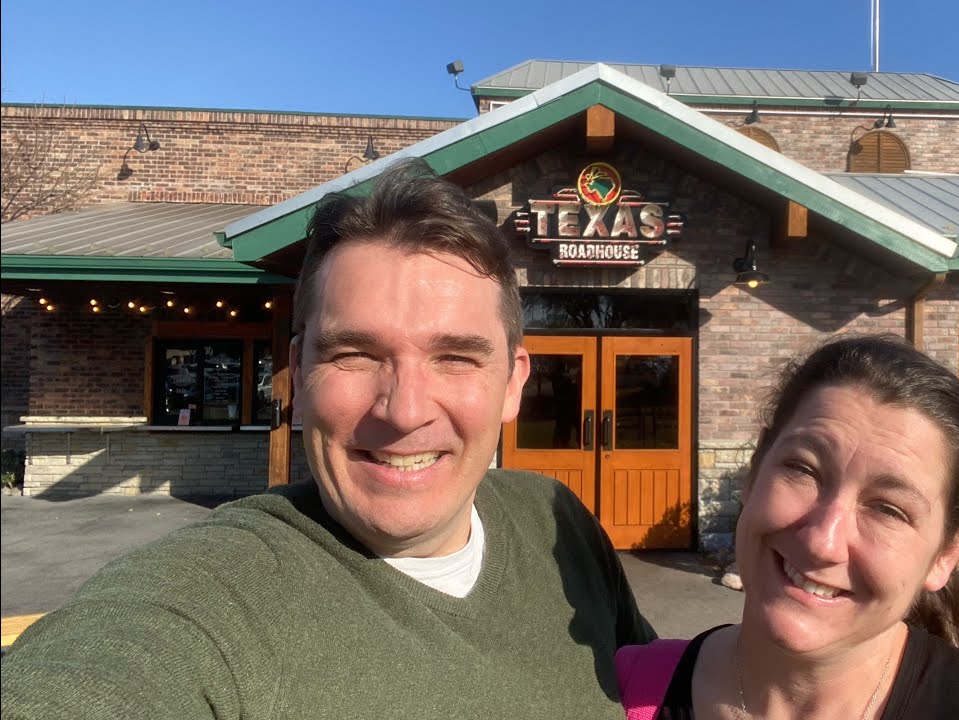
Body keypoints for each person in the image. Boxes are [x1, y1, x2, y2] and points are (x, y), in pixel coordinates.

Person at [2, 159, 655, 718]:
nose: (404, 412)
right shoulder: (213, 598)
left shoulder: (554, 522)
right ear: (300, 374)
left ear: (512, 384)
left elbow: (661, 686)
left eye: (456, 357)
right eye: (355, 354)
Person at [616, 335, 959, 719]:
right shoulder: (612, 692)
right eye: (803, 470)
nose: (822, 540)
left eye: (889, 509)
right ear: (754, 475)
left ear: (946, 552)